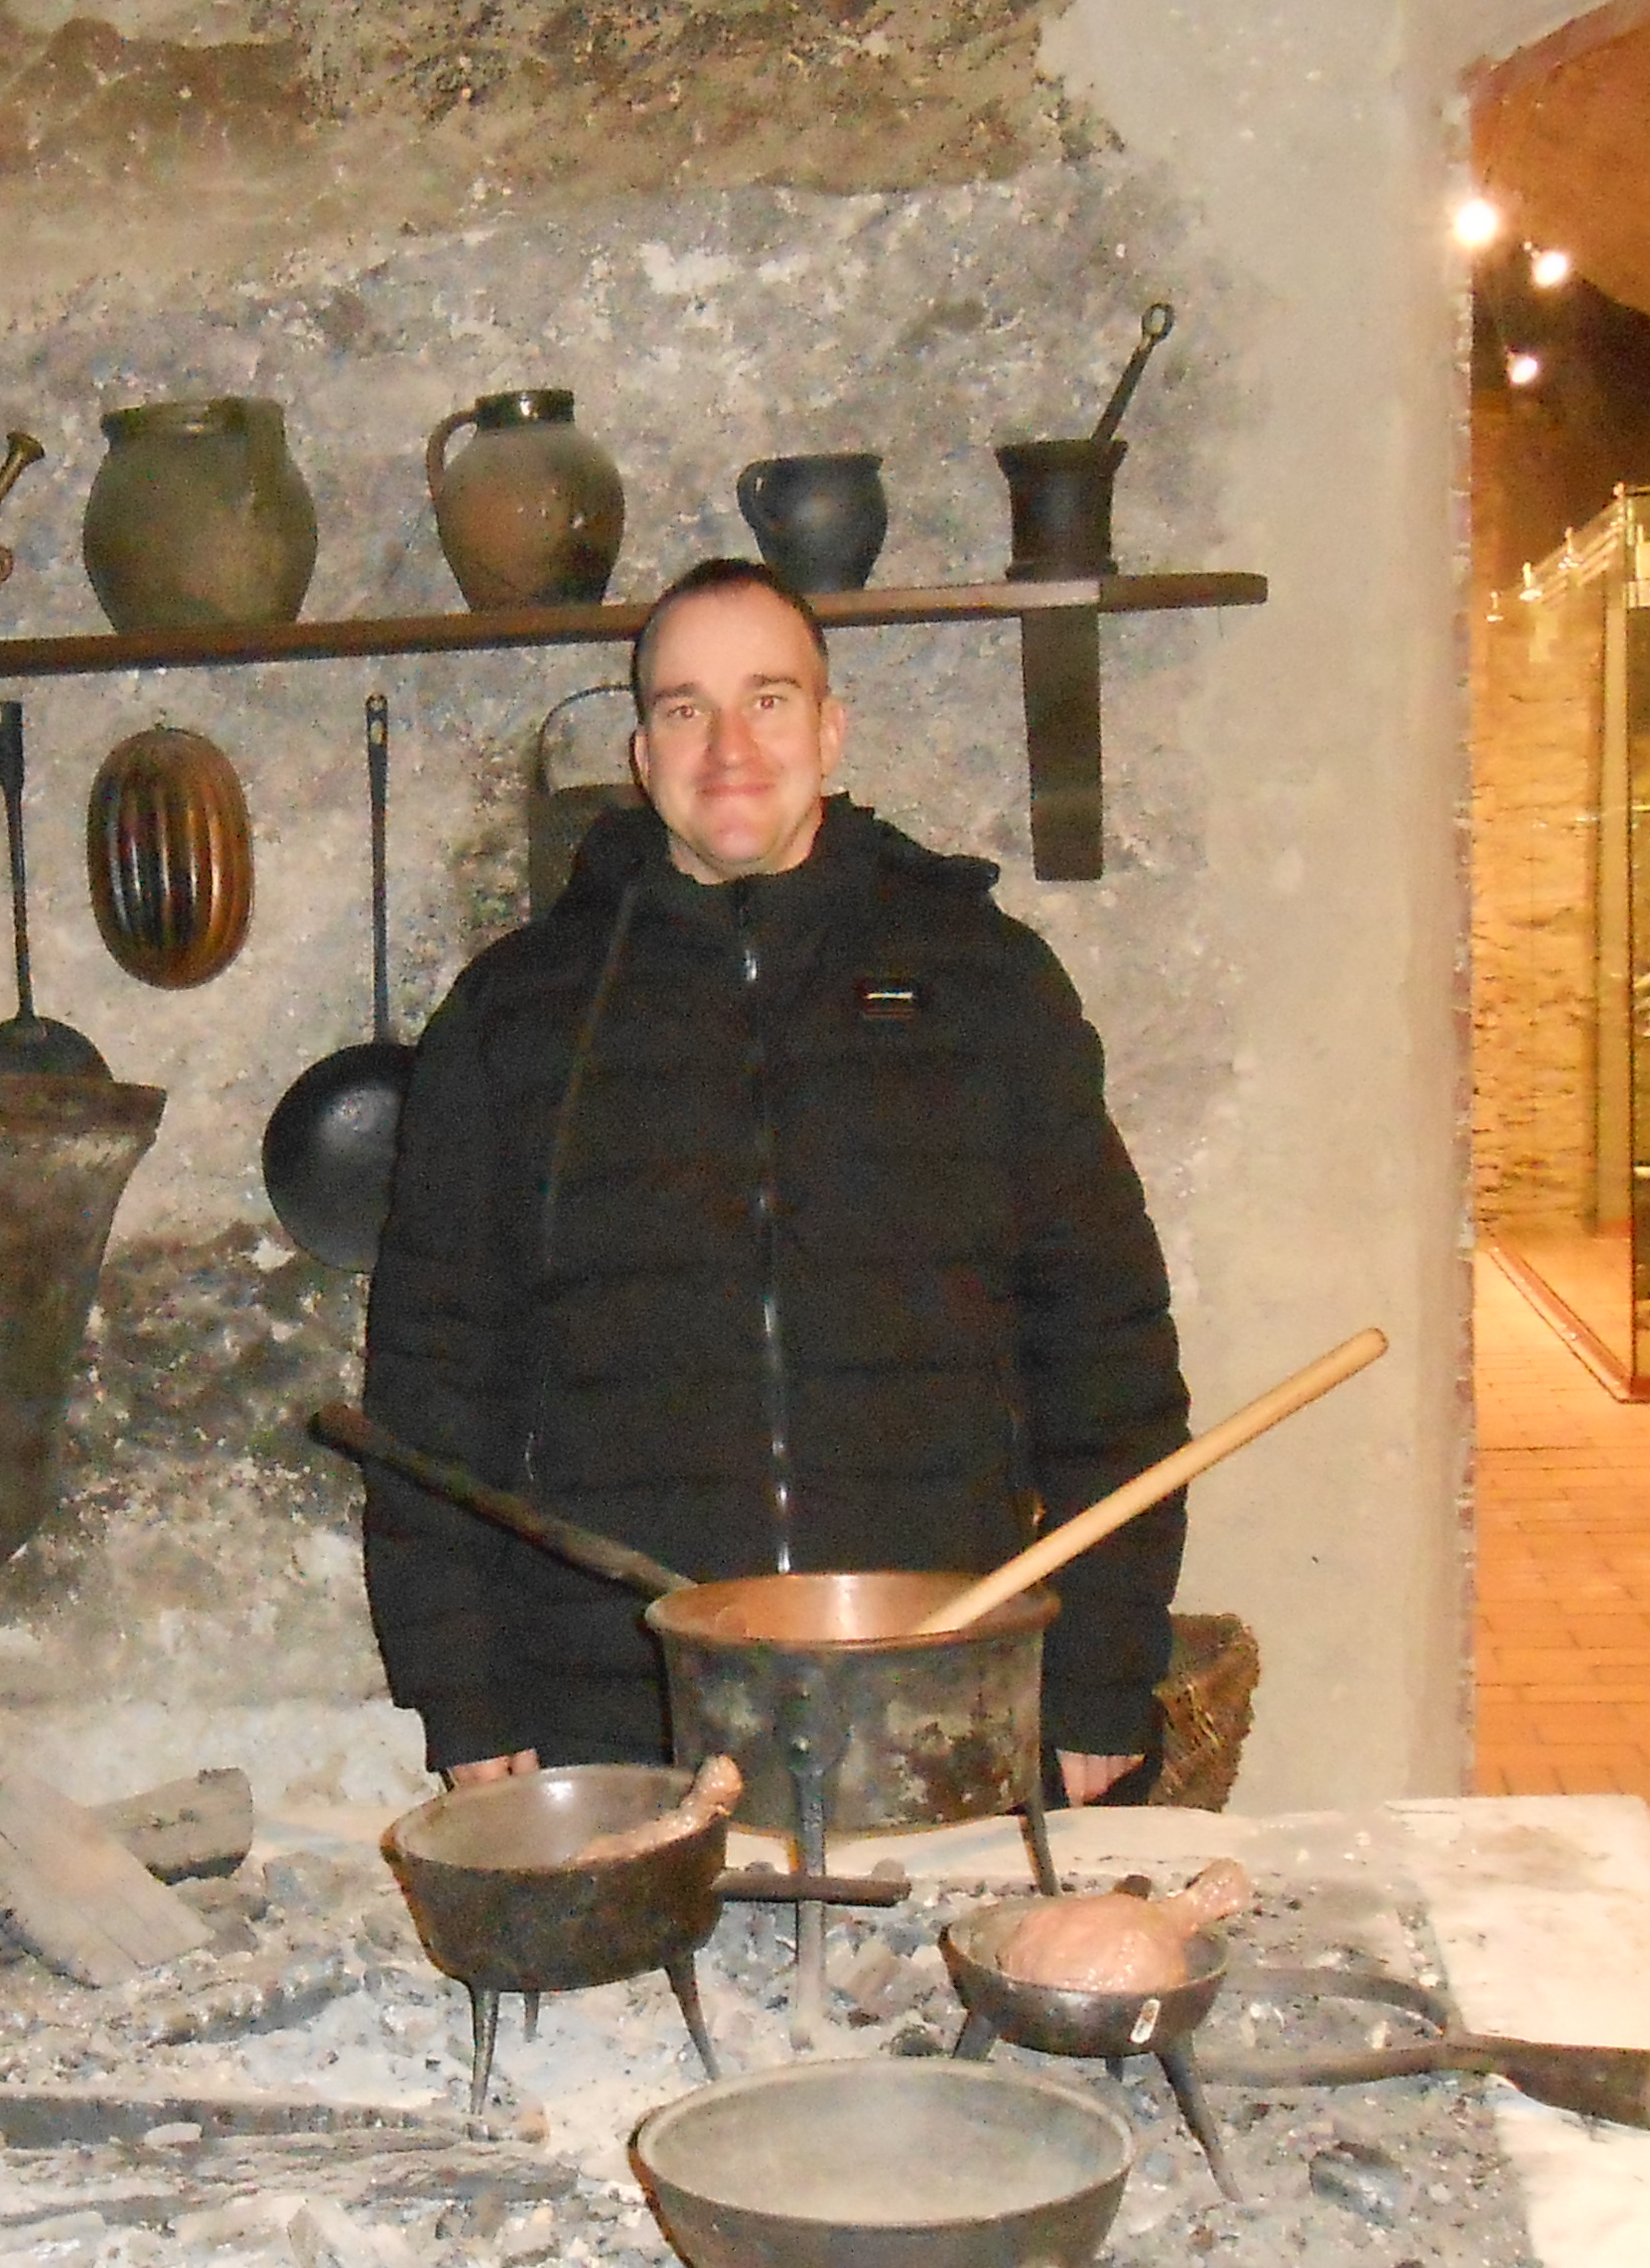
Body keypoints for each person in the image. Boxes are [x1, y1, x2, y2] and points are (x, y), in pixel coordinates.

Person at [360, 554, 1194, 1798]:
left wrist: (1102, 1672)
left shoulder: (986, 986)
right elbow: (434, 1381)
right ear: (643, 754)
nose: (729, 748)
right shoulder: (515, 1018)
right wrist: (466, 1696)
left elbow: (1107, 1357)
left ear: (830, 730)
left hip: (941, 1686)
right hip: (621, 1706)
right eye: (685, 709)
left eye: (768, 699)